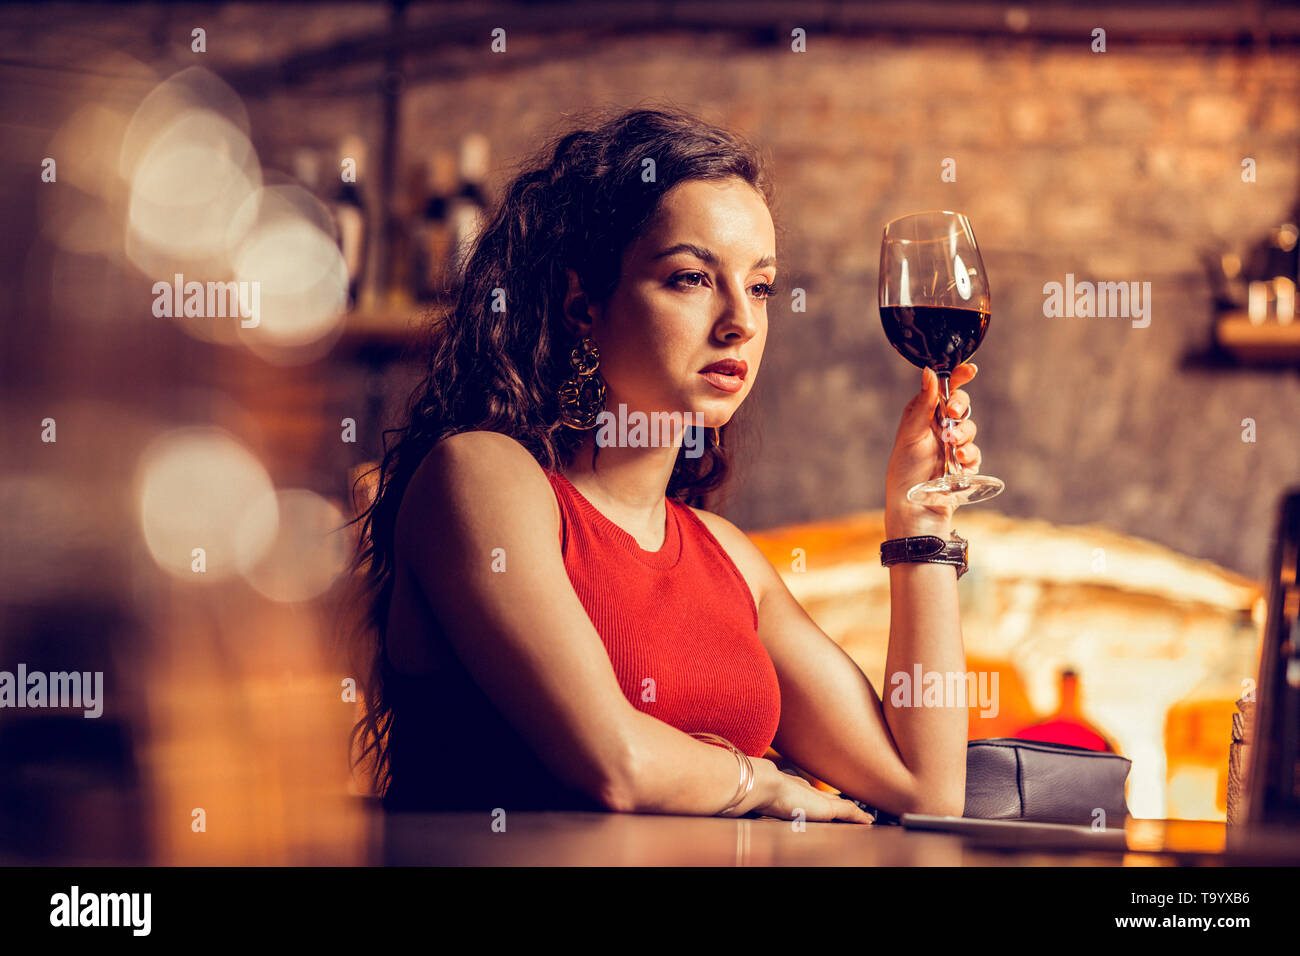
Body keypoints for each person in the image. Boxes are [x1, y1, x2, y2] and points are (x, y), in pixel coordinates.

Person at [345, 104, 982, 823]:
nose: (740, 318)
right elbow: (615, 764)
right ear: (584, 306)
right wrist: (763, 781)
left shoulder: (728, 559)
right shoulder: (480, 477)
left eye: (761, 286)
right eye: (691, 277)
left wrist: (920, 521)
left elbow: (928, 791)